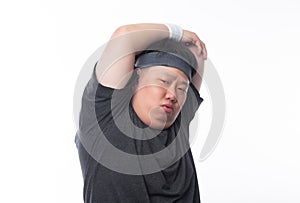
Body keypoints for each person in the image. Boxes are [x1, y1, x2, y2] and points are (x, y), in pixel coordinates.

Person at [75, 23, 207, 203]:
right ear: (135, 79)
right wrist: (179, 34)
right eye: (163, 81)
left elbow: (197, 51)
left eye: (181, 89)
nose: (172, 95)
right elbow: (125, 37)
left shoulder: (178, 126)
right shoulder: (104, 119)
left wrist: (188, 45)